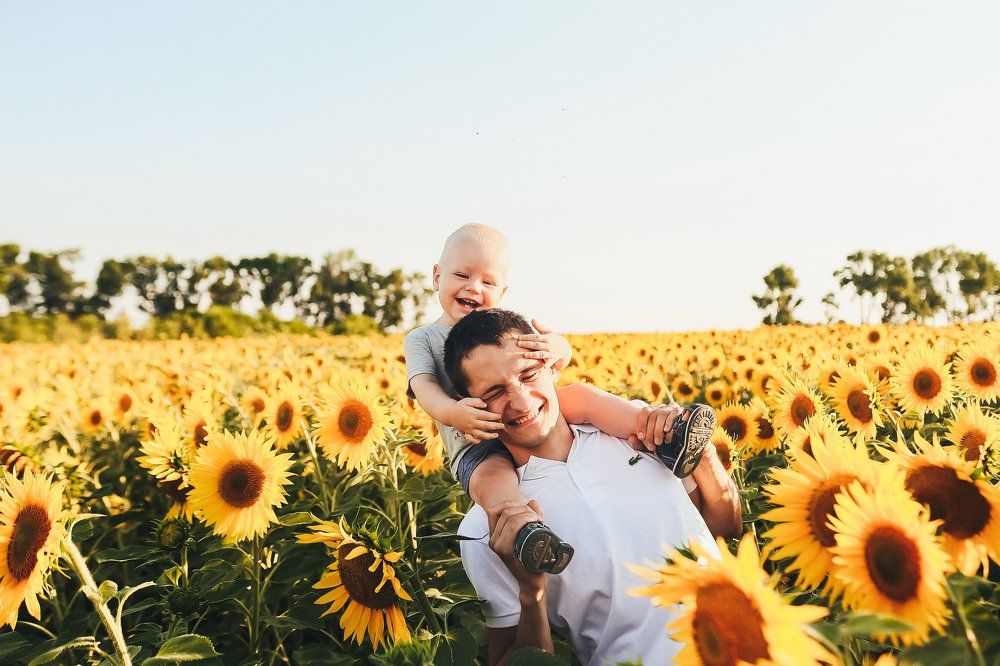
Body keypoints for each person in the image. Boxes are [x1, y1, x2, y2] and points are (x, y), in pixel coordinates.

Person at [444, 309, 742, 665]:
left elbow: (724, 527)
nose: (522, 401)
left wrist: (704, 454)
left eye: (528, 374)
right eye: (495, 392)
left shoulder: (635, 431)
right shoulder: (491, 527)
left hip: (753, 644)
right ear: (471, 408)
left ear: (551, 366)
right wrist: (531, 592)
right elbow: (512, 659)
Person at [404, 224, 706, 574]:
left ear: (502, 291)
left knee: (579, 395)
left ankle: (663, 435)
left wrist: (561, 346)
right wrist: (452, 413)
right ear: (437, 276)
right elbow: (423, 385)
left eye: (488, 282)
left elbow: (553, 360)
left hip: (523, 416)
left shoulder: (503, 330)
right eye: (462, 275)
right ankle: (526, 531)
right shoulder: (423, 338)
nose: (474, 287)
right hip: (474, 443)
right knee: (493, 479)